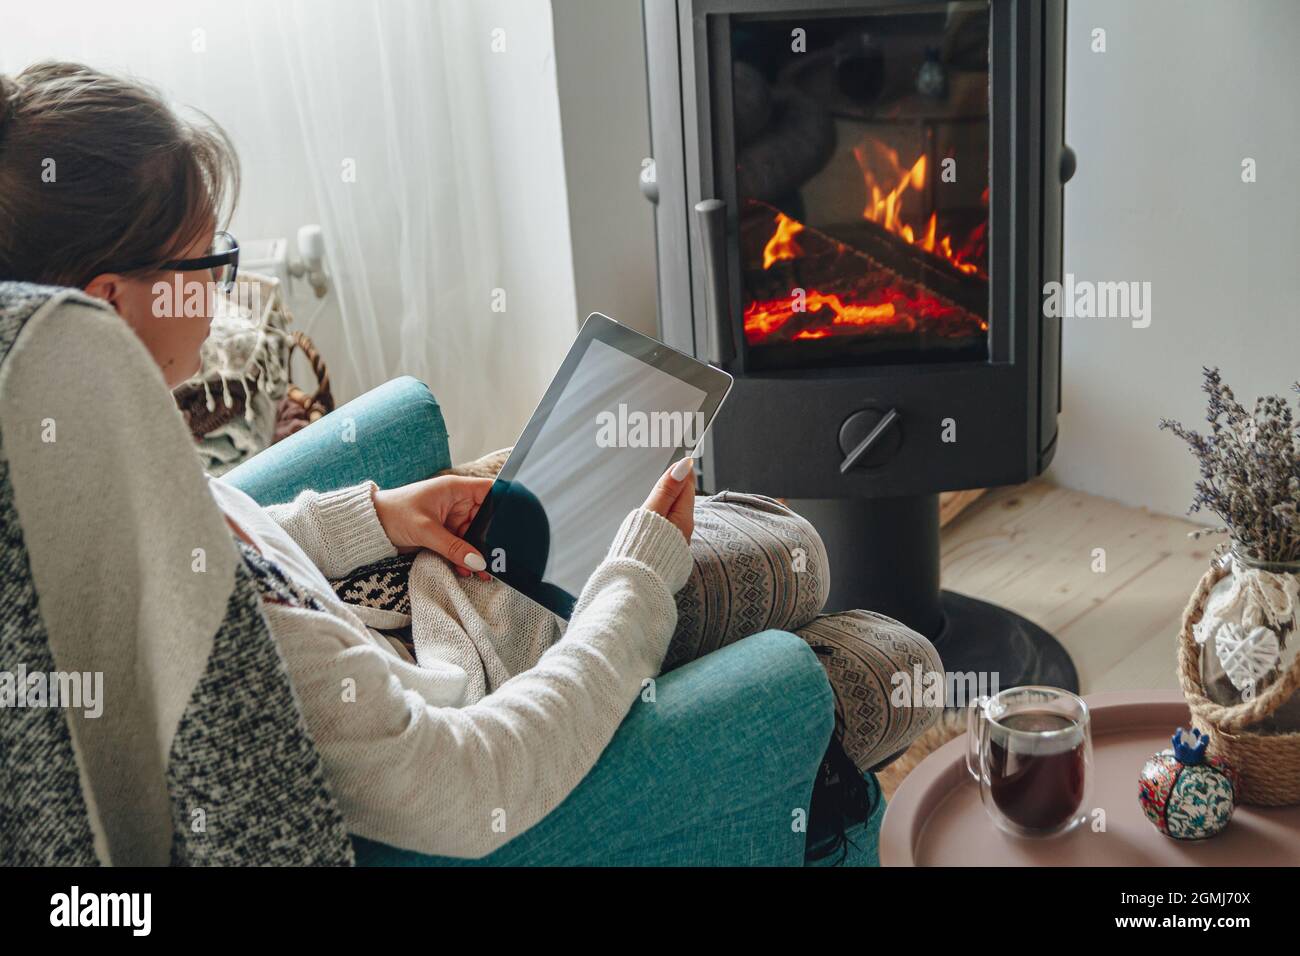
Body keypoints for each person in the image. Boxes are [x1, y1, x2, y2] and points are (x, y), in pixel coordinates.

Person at [0, 62, 939, 861]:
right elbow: (476, 778)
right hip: (477, 693)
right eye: (208, 265)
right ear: (114, 305)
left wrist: (376, 515)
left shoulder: (59, 477)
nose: (223, 286)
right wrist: (640, 584)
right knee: (878, 645)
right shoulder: (249, 669)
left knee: (776, 545)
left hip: (422, 607)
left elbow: (218, 536)